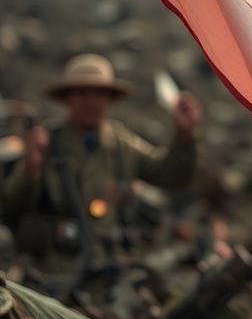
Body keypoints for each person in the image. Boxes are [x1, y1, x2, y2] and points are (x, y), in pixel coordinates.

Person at [1, 53, 202, 279]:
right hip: (52, 273)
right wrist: (31, 166)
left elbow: (172, 176)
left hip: (108, 273)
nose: (91, 102)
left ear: (110, 100)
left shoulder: (122, 145)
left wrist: (185, 136)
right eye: (82, 94)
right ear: (67, 98)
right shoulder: (46, 144)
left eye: (99, 94)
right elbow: (11, 206)